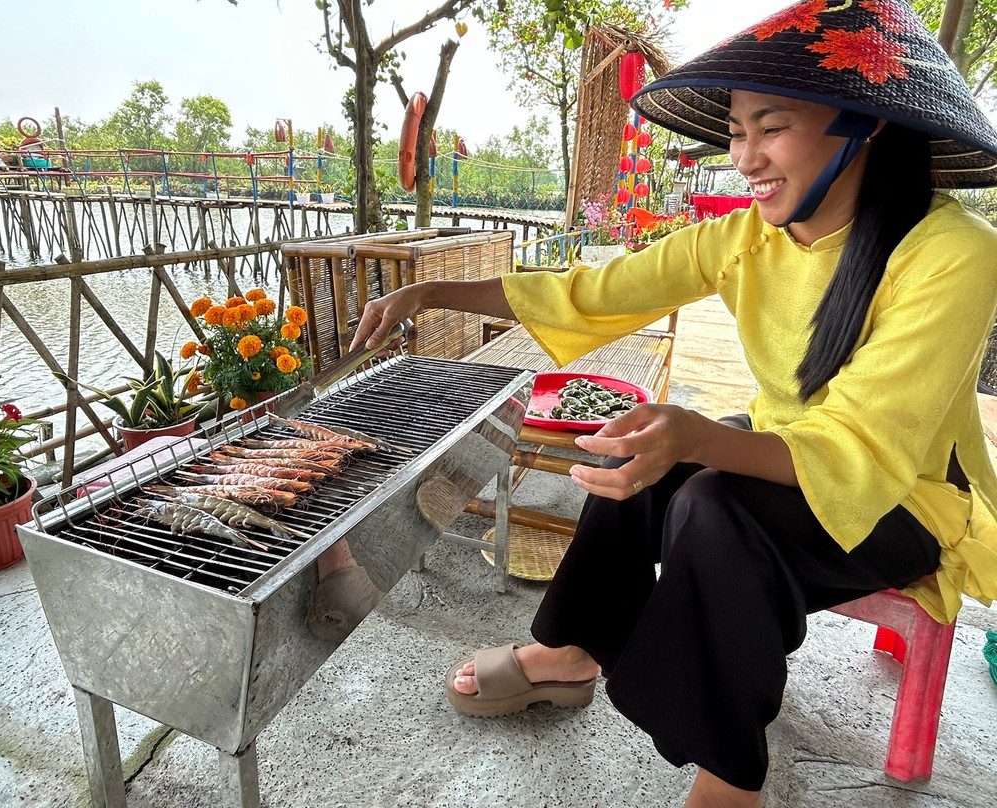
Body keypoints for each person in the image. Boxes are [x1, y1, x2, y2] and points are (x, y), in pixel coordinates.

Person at [350, 1, 997, 805]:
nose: (746, 156)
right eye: (735, 132)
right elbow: (595, 289)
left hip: (910, 499)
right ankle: (572, 652)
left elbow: (863, 450)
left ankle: (729, 778)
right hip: (788, 454)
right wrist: (432, 291)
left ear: (863, 124)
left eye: (772, 126)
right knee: (646, 453)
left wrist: (695, 438)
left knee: (713, 505)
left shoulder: (952, 253)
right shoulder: (746, 238)